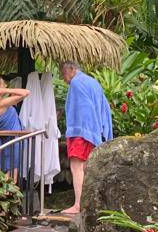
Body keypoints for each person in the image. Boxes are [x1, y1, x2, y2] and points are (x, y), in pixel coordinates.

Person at [60, 61, 113, 215]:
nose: (64, 79)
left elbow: (83, 109)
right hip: (95, 131)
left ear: (71, 69)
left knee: (77, 167)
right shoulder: (92, 82)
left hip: (81, 131)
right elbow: (105, 107)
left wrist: (78, 130)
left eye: (64, 74)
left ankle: (78, 205)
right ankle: (87, 204)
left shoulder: (76, 83)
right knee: (87, 168)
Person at [0, 75, 30, 180]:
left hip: (1, 140)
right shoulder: (2, 103)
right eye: (3, 84)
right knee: (12, 173)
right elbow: (26, 92)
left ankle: (4, 194)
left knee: (4, 171)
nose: (6, 86)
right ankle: (8, 195)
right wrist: (6, 90)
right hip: (12, 141)